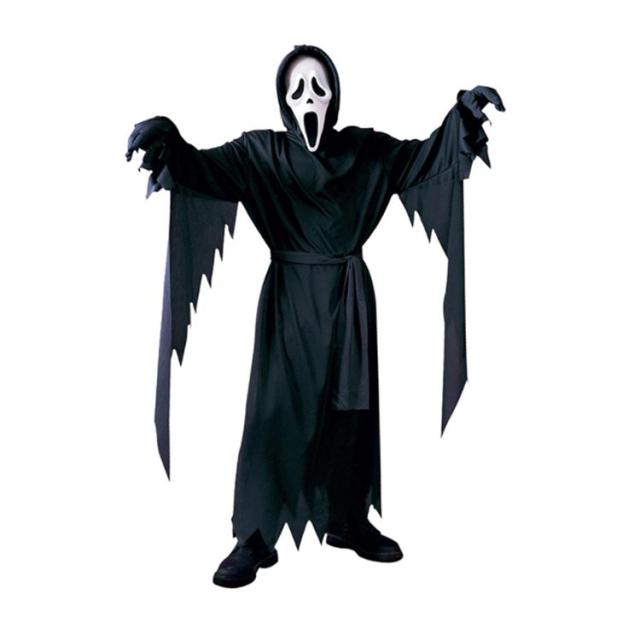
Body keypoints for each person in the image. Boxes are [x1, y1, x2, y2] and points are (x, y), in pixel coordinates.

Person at [126, 43, 505, 588]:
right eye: (298, 88)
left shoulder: (365, 152)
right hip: (289, 302)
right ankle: (254, 538)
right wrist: (168, 142)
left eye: (319, 87)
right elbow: (201, 169)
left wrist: (462, 118)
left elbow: (426, 157)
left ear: (334, 95)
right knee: (273, 412)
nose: (309, 97)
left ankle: (348, 520)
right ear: (284, 99)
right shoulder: (260, 154)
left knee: (351, 412)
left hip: (349, 302)